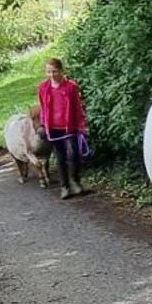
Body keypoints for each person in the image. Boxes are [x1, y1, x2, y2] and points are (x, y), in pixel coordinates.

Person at [36, 57, 88, 199]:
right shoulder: (43, 88)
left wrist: (82, 126)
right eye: (49, 72)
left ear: (61, 71)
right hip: (53, 128)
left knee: (74, 154)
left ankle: (75, 181)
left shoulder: (71, 86)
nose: (52, 75)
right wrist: (42, 125)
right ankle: (64, 187)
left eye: (55, 71)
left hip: (69, 127)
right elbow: (43, 108)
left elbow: (78, 108)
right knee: (60, 157)